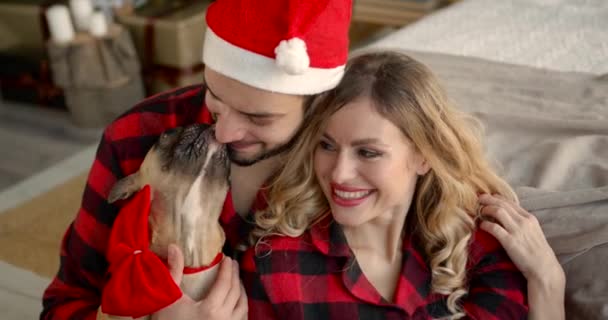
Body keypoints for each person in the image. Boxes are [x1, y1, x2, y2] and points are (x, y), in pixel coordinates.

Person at [40, 0, 352, 319]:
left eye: (258, 118)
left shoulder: (355, 170)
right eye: (215, 95)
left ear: (317, 105)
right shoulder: (138, 134)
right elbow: (66, 300)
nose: (224, 132)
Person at [241, 50, 566, 319]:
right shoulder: (278, 265)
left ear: (424, 156)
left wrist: (549, 282)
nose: (339, 174)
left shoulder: (478, 243)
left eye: (368, 152)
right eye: (326, 146)